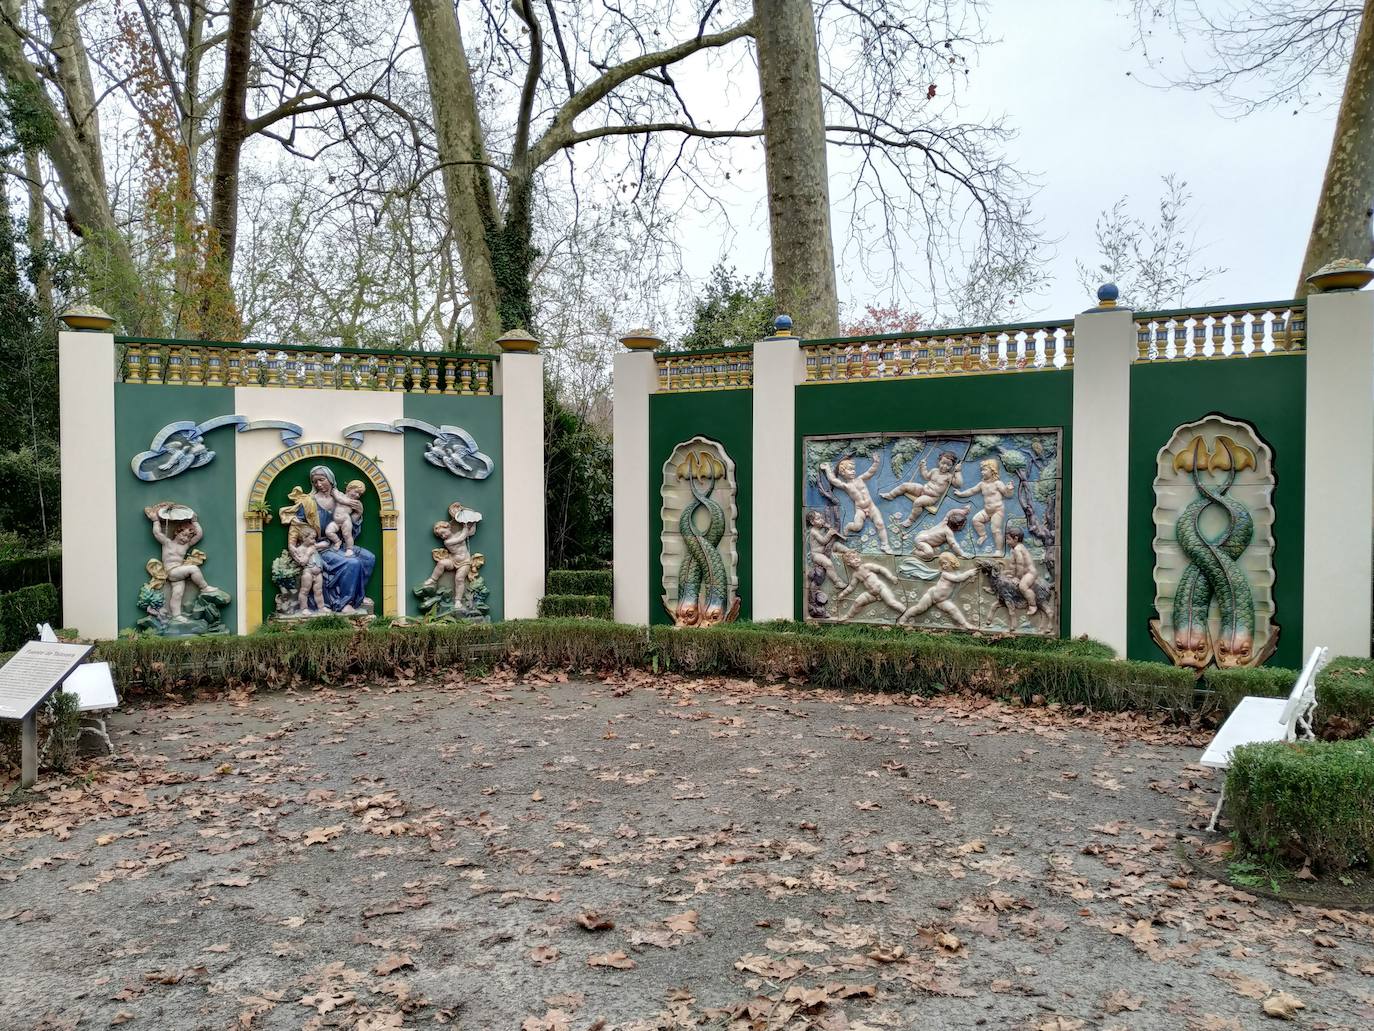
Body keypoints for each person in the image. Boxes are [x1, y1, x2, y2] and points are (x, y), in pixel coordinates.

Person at [294, 466, 377, 613]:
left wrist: (357, 514)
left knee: (369, 558)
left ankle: (358, 595)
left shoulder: (343, 500)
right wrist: (294, 547)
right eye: (315, 482)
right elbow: (296, 527)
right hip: (321, 546)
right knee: (353, 563)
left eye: (322, 480)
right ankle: (344, 603)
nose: (319, 484)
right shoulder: (308, 502)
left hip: (341, 544)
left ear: (330, 479)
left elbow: (348, 530)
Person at [147, 506, 216, 620]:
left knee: (177, 594)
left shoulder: (185, 546)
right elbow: (157, 533)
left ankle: (176, 615)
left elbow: (198, 535)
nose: (185, 539)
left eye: (188, 537)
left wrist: (195, 522)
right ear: (176, 532)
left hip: (178, 574)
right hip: (171, 571)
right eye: (183, 535)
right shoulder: (167, 543)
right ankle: (204, 587)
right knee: (193, 569)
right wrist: (155, 521)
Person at [820, 456, 893, 554]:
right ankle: (849, 526)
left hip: (871, 506)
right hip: (860, 509)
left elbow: (870, 472)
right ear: (842, 473)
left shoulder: (860, 479)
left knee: (880, 523)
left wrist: (876, 462)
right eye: (850, 470)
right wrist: (827, 469)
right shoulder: (846, 486)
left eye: (853, 469)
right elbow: (833, 480)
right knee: (857, 527)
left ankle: (885, 545)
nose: (853, 471)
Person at [882, 450, 964, 527]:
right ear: (939, 461)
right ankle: (890, 495)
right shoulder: (934, 471)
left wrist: (958, 472)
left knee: (918, 502)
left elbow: (958, 484)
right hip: (922, 489)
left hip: (931, 497)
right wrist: (923, 467)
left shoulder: (948, 477)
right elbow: (925, 476)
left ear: (952, 466)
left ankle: (911, 520)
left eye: (948, 465)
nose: (945, 466)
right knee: (904, 485)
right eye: (943, 463)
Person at [422, 504, 481, 610]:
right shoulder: (448, 542)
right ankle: (433, 579)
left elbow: (471, 532)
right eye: (440, 536)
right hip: (453, 560)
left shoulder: (458, 533)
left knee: (459, 579)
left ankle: (458, 600)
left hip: (465, 562)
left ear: (448, 528)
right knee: (441, 563)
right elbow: (462, 537)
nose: (443, 536)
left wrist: (471, 521)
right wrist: (464, 527)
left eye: (443, 533)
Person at [900, 551, 976, 629]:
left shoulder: (957, 573)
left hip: (942, 600)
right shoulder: (945, 574)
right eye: (942, 564)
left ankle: (965, 624)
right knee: (919, 608)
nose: (943, 566)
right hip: (932, 595)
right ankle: (904, 617)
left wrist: (970, 579)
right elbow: (957, 579)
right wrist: (968, 573)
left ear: (952, 562)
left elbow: (960, 582)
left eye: (945, 563)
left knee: (953, 609)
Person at [954, 458, 1016, 552]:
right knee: (976, 520)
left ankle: (999, 550)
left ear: (993, 471)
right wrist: (961, 494)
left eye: (985, 470)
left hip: (997, 510)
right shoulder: (982, 484)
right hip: (987, 511)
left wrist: (1009, 489)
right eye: (981, 470)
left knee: (995, 530)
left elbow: (1007, 495)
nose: (982, 472)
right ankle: (983, 535)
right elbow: (971, 491)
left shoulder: (997, 483)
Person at [835, 550, 906, 619]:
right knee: (857, 602)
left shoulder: (867, 566)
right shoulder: (855, 575)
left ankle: (906, 613)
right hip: (871, 594)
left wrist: (890, 577)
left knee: (891, 603)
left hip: (881, 588)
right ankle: (848, 616)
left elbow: (880, 569)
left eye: (857, 558)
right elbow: (851, 587)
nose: (856, 560)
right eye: (853, 559)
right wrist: (843, 594)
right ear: (848, 563)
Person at [324, 479, 366, 555]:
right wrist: (334, 491)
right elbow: (336, 494)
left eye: (359, 494)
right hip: (336, 522)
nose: (357, 495)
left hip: (345, 521)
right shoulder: (341, 495)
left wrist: (359, 512)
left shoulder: (355, 502)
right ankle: (337, 541)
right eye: (356, 492)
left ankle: (349, 549)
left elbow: (355, 516)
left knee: (347, 535)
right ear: (349, 488)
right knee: (328, 531)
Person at [290, 525, 326, 612]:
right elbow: (302, 562)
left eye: (315, 538)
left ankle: (321, 607)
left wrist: (316, 545)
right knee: (304, 591)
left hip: (318, 573)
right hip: (308, 573)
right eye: (312, 538)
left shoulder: (314, 546)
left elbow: (326, 544)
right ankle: (304, 608)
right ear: (304, 538)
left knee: (319, 591)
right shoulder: (300, 549)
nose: (314, 540)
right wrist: (308, 553)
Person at [1005, 527, 1039, 616]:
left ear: (1016, 538)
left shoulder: (1018, 549)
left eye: (1008, 539)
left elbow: (1020, 565)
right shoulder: (1014, 549)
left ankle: (1032, 605)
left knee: (1023, 586)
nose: (1007, 542)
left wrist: (1017, 578)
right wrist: (1011, 574)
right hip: (1025, 572)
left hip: (1030, 573)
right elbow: (1013, 564)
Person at [805, 511, 844, 586]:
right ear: (812, 522)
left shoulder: (821, 528)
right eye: (818, 518)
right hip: (816, 554)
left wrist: (828, 528)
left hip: (825, 549)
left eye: (821, 518)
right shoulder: (814, 532)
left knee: (837, 544)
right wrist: (830, 533)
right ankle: (837, 581)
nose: (822, 520)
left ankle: (848, 551)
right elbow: (823, 541)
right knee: (828, 563)